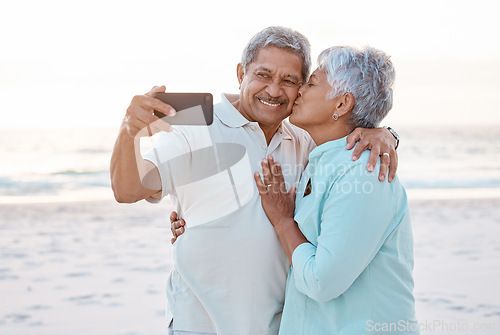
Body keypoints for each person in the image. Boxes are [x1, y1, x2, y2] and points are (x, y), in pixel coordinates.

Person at [110, 26, 399, 335]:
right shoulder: (196, 121)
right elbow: (127, 190)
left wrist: (386, 133)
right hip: (198, 325)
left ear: (301, 88)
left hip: (280, 326)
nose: (274, 91)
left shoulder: (304, 138)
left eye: (289, 81)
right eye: (263, 75)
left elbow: (345, 137)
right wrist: (130, 130)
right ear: (240, 73)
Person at [254, 46, 418, 334]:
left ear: (342, 105)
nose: (300, 90)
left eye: (313, 83)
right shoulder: (321, 161)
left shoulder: (365, 171)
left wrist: (283, 221)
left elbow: (322, 281)